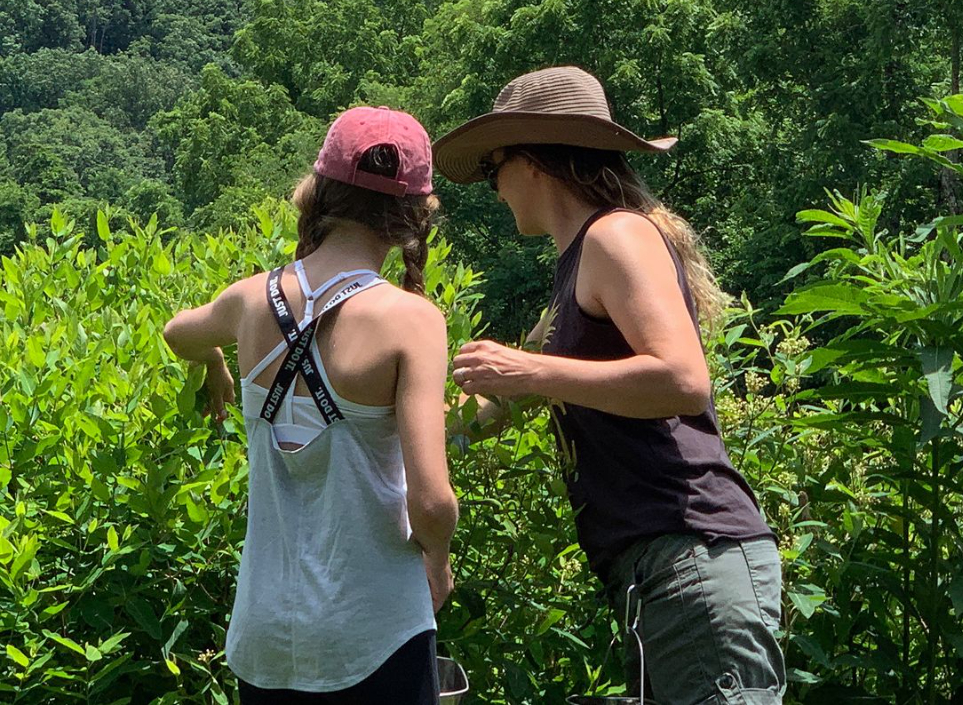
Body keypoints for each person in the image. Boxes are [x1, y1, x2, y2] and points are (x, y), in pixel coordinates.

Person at [435, 66, 786, 705]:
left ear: (534, 163)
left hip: (691, 553)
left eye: (494, 170)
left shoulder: (616, 236)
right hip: (658, 568)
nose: (493, 188)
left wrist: (528, 369)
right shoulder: (574, 273)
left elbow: (683, 379)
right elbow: (496, 404)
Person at [163, 106, 457, 705]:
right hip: (375, 631)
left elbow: (177, 333)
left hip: (264, 638)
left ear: (319, 194)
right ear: (412, 218)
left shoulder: (248, 302)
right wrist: (440, 561)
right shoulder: (412, 322)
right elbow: (431, 501)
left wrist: (216, 362)